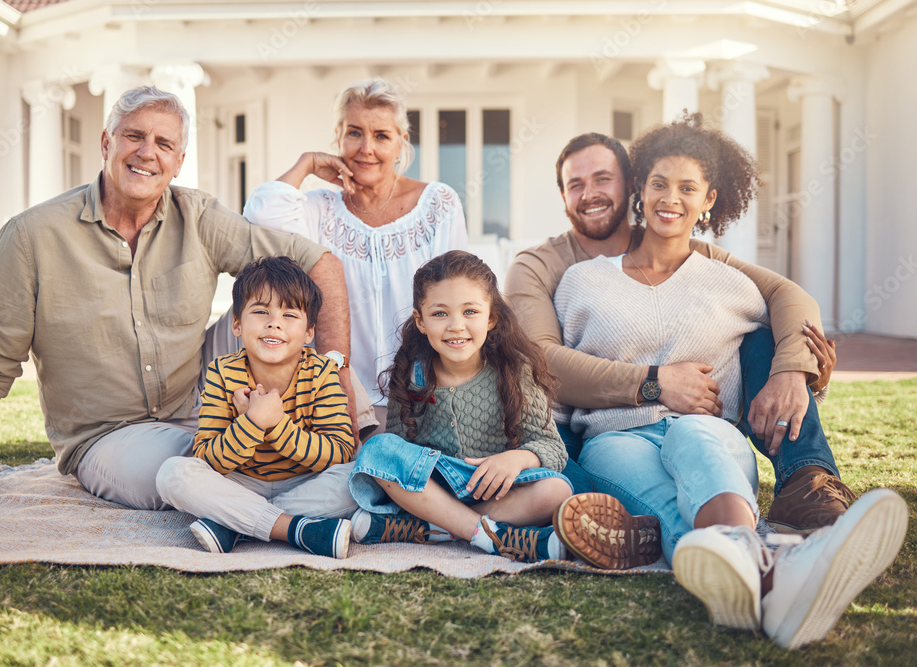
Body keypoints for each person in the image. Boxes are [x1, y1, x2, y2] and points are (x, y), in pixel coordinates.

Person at [551, 114, 907, 648]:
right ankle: (782, 575)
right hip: (615, 440)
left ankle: (753, 571)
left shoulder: (733, 283)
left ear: (709, 199)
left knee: (697, 438)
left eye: (687, 188)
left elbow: (791, 320)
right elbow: (559, 379)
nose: (671, 198)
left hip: (707, 431)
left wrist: (802, 372)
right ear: (639, 192)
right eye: (659, 184)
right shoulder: (580, 283)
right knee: (667, 508)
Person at [0, 87, 354, 511]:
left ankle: (340, 456)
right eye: (134, 136)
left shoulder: (199, 216)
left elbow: (319, 264)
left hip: (203, 394)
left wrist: (336, 372)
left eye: (164, 143)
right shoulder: (31, 237)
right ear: (106, 142)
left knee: (290, 330)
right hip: (109, 435)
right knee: (176, 471)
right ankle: (302, 497)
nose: (148, 152)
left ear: (178, 163)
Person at [505, 131, 854, 534]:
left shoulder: (699, 260)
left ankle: (805, 480)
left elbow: (786, 296)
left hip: (703, 426)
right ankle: (748, 557)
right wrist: (656, 383)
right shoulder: (551, 270)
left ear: (628, 183)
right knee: (587, 480)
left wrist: (796, 370)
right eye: (575, 184)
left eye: (602, 179)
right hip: (594, 427)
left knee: (759, 345)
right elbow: (543, 361)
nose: (590, 193)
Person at [244, 78, 467, 430]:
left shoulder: (437, 204)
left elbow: (457, 295)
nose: (366, 148)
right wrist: (307, 164)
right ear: (338, 138)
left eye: (381, 136)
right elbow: (259, 215)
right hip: (339, 398)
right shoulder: (320, 209)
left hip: (423, 396)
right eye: (354, 133)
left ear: (401, 143)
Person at [347, 251, 572, 564]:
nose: (456, 326)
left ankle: (434, 528)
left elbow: (553, 448)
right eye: (440, 314)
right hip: (432, 487)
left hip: (494, 488)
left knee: (556, 491)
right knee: (379, 449)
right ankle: (492, 536)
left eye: (470, 311)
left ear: (491, 317)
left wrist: (516, 459)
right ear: (420, 321)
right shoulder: (411, 373)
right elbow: (399, 449)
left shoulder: (514, 370)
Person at [156, 257, 357, 558]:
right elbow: (208, 458)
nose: (274, 322)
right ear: (236, 323)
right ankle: (297, 529)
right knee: (173, 474)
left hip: (305, 484)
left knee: (358, 479)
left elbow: (339, 451)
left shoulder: (321, 373)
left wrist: (276, 426)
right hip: (241, 483)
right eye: (261, 311)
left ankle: (235, 524)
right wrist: (252, 423)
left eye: (289, 314)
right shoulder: (222, 373)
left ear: (309, 333)